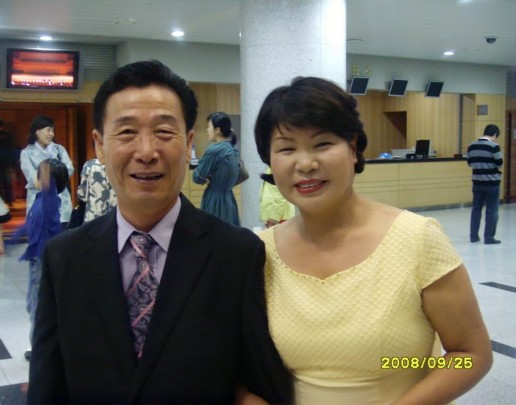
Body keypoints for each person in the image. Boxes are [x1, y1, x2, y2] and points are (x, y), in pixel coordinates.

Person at [27, 60, 292, 404]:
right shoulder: (64, 257)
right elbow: (47, 387)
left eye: (164, 132)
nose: (146, 152)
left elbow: (261, 382)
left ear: (189, 142)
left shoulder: (237, 254)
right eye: (126, 132)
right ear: (99, 146)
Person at [252, 76, 492, 404]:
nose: (306, 164)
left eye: (322, 144)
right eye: (286, 149)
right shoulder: (259, 253)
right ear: (270, 160)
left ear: (353, 148)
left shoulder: (416, 239)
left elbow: (470, 355)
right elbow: (237, 364)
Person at [17, 158, 68, 359]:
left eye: (41, 175)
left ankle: (39, 349)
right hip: (36, 259)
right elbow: (30, 224)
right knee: (33, 304)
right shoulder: (39, 200)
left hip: (42, 261)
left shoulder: (50, 202)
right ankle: (44, 345)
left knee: (37, 306)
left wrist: (48, 177)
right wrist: (15, 236)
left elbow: (48, 193)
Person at [20, 115, 74, 229]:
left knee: (62, 236)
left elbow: (69, 168)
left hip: (61, 203)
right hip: (39, 204)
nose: (51, 134)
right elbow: (31, 177)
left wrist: (47, 174)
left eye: (53, 130)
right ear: (37, 131)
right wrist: (56, 173)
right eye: (48, 130)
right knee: (41, 237)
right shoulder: (26, 153)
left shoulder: (59, 149)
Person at [192, 112, 241, 226]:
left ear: (217, 130)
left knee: (213, 232)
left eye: (209, 127)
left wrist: (207, 178)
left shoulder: (214, 150)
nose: (207, 130)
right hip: (229, 200)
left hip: (214, 200)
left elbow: (197, 177)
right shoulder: (233, 149)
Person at [467, 124, 503, 244]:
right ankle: (489, 237)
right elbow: (499, 163)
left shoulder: (471, 145)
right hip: (492, 183)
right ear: (494, 134)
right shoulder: (494, 146)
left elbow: (469, 163)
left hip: (477, 182)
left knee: (476, 209)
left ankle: (473, 236)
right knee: (492, 211)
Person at [76, 155, 117, 223]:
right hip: (115, 216)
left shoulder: (89, 165)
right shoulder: (119, 164)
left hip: (93, 216)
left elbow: (83, 194)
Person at [0, 118, 17, 205]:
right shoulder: (9, 135)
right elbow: (12, 148)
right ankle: (8, 199)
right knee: (7, 180)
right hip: (7, 159)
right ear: (3, 125)